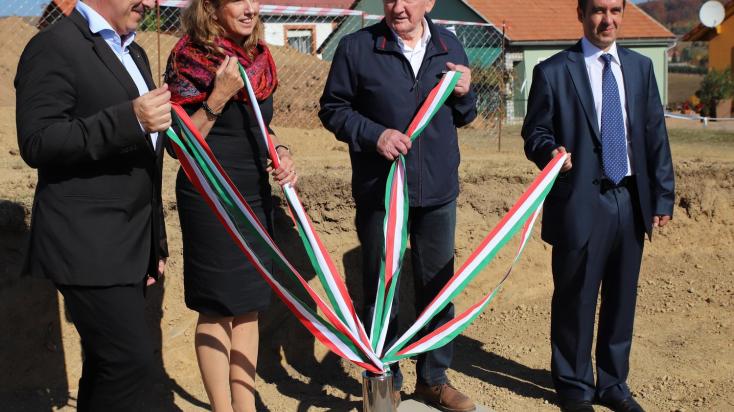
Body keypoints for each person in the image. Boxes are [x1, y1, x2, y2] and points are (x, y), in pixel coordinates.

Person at [319, 0, 477, 410]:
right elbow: (333, 110)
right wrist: (375, 135)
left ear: (429, 3)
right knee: (380, 290)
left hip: (437, 191)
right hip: (381, 192)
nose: (398, 6)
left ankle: (433, 380)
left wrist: (465, 93)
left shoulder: (450, 47)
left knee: (438, 289)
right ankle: (383, 383)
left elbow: (464, 115)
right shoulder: (357, 48)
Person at [15, 0, 170, 410]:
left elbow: (147, 160)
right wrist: (129, 120)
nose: (147, 2)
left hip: (129, 241)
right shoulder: (54, 46)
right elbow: (38, 140)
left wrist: (155, 242)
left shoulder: (134, 52)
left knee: (108, 365)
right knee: (129, 363)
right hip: (85, 240)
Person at [521, 0, 675, 411]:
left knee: (622, 299)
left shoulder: (640, 68)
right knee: (576, 298)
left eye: (615, 10)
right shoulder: (554, 71)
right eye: (597, 11)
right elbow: (535, 131)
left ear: (623, 13)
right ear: (581, 13)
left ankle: (613, 384)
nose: (607, 20)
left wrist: (662, 195)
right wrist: (550, 151)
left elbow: (654, 134)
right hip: (580, 201)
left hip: (630, 198)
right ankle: (574, 387)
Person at [164, 0, 296, 410]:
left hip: (254, 194)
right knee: (218, 308)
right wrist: (218, 96)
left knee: (250, 307)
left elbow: (260, 126)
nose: (250, 7)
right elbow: (178, 146)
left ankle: (244, 405)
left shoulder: (260, 58)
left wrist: (281, 150)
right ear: (211, 8)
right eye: (238, 0)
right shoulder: (188, 59)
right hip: (210, 197)